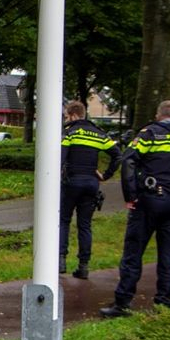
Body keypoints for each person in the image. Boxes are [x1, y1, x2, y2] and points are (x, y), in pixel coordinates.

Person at [100, 100, 170, 317]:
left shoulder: (150, 134)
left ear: (158, 116)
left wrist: (130, 195)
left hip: (150, 200)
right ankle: (163, 304)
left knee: (134, 251)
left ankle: (123, 302)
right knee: (168, 254)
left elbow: (129, 160)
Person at [59, 100, 122, 279]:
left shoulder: (69, 132)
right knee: (85, 225)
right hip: (91, 184)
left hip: (72, 182)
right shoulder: (99, 133)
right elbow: (117, 156)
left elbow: (61, 157)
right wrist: (106, 175)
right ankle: (83, 266)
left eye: (66, 116)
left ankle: (61, 260)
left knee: (64, 220)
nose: (65, 119)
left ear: (72, 114)